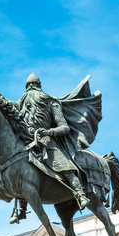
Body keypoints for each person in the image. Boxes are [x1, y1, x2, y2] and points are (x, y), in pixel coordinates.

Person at [9, 73, 90, 224]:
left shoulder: (51, 102)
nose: (30, 91)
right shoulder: (22, 103)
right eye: (29, 87)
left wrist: (48, 132)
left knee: (61, 163)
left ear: (38, 86)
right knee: (16, 167)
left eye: (32, 86)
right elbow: (6, 104)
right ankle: (21, 209)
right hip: (26, 139)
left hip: (45, 138)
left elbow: (64, 127)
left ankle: (80, 193)